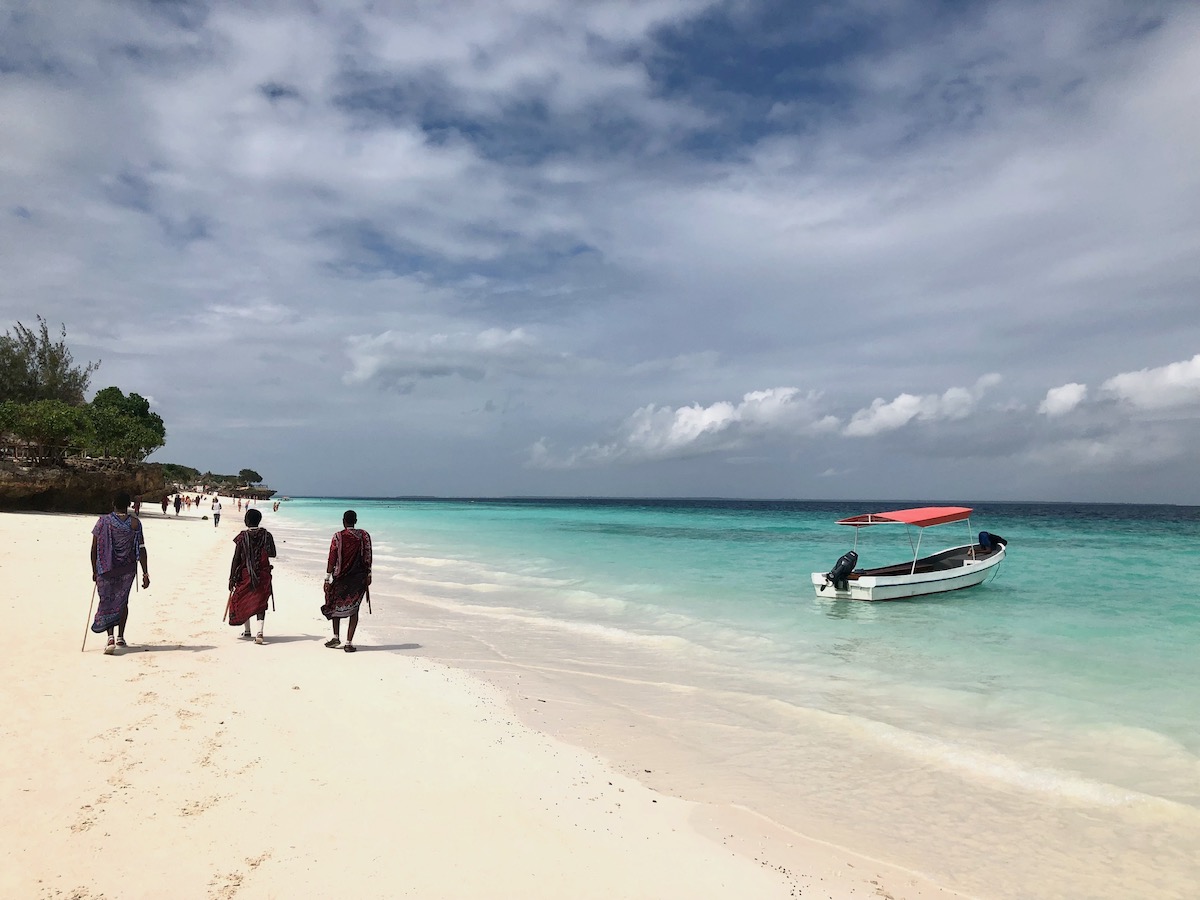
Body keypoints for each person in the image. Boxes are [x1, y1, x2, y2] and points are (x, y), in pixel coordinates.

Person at [90, 491, 150, 654]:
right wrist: (145, 573)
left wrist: (94, 570)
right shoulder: (135, 524)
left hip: (106, 568)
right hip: (127, 569)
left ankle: (110, 637)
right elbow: (142, 549)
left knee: (107, 601)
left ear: (113, 504)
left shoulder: (103, 522)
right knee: (122, 601)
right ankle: (120, 636)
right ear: (129, 505)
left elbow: (94, 547)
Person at [321, 510, 372, 652]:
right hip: (358, 578)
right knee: (354, 609)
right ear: (356, 521)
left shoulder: (338, 537)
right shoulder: (364, 536)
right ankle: (349, 643)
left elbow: (332, 558)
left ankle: (336, 637)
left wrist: (327, 578)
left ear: (343, 521)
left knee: (334, 606)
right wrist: (369, 574)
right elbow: (368, 556)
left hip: (340, 577)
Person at [227, 508, 276, 644]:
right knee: (261, 602)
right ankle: (259, 633)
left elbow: (236, 558)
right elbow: (272, 553)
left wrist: (231, 577)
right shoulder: (266, 535)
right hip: (262, 574)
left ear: (247, 521)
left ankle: (247, 630)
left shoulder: (242, 537)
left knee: (243, 599)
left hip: (245, 574)